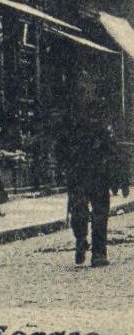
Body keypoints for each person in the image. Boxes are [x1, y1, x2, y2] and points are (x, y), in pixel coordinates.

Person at [60, 112, 130, 268]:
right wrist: (122, 180)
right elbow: (114, 154)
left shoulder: (71, 127)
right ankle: (98, 253)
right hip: (98, 177)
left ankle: (81, 239)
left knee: (79, 210)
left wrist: (65, 169)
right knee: (99, 215)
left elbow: (61, 150)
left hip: (79, 177)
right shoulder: (102, 129)